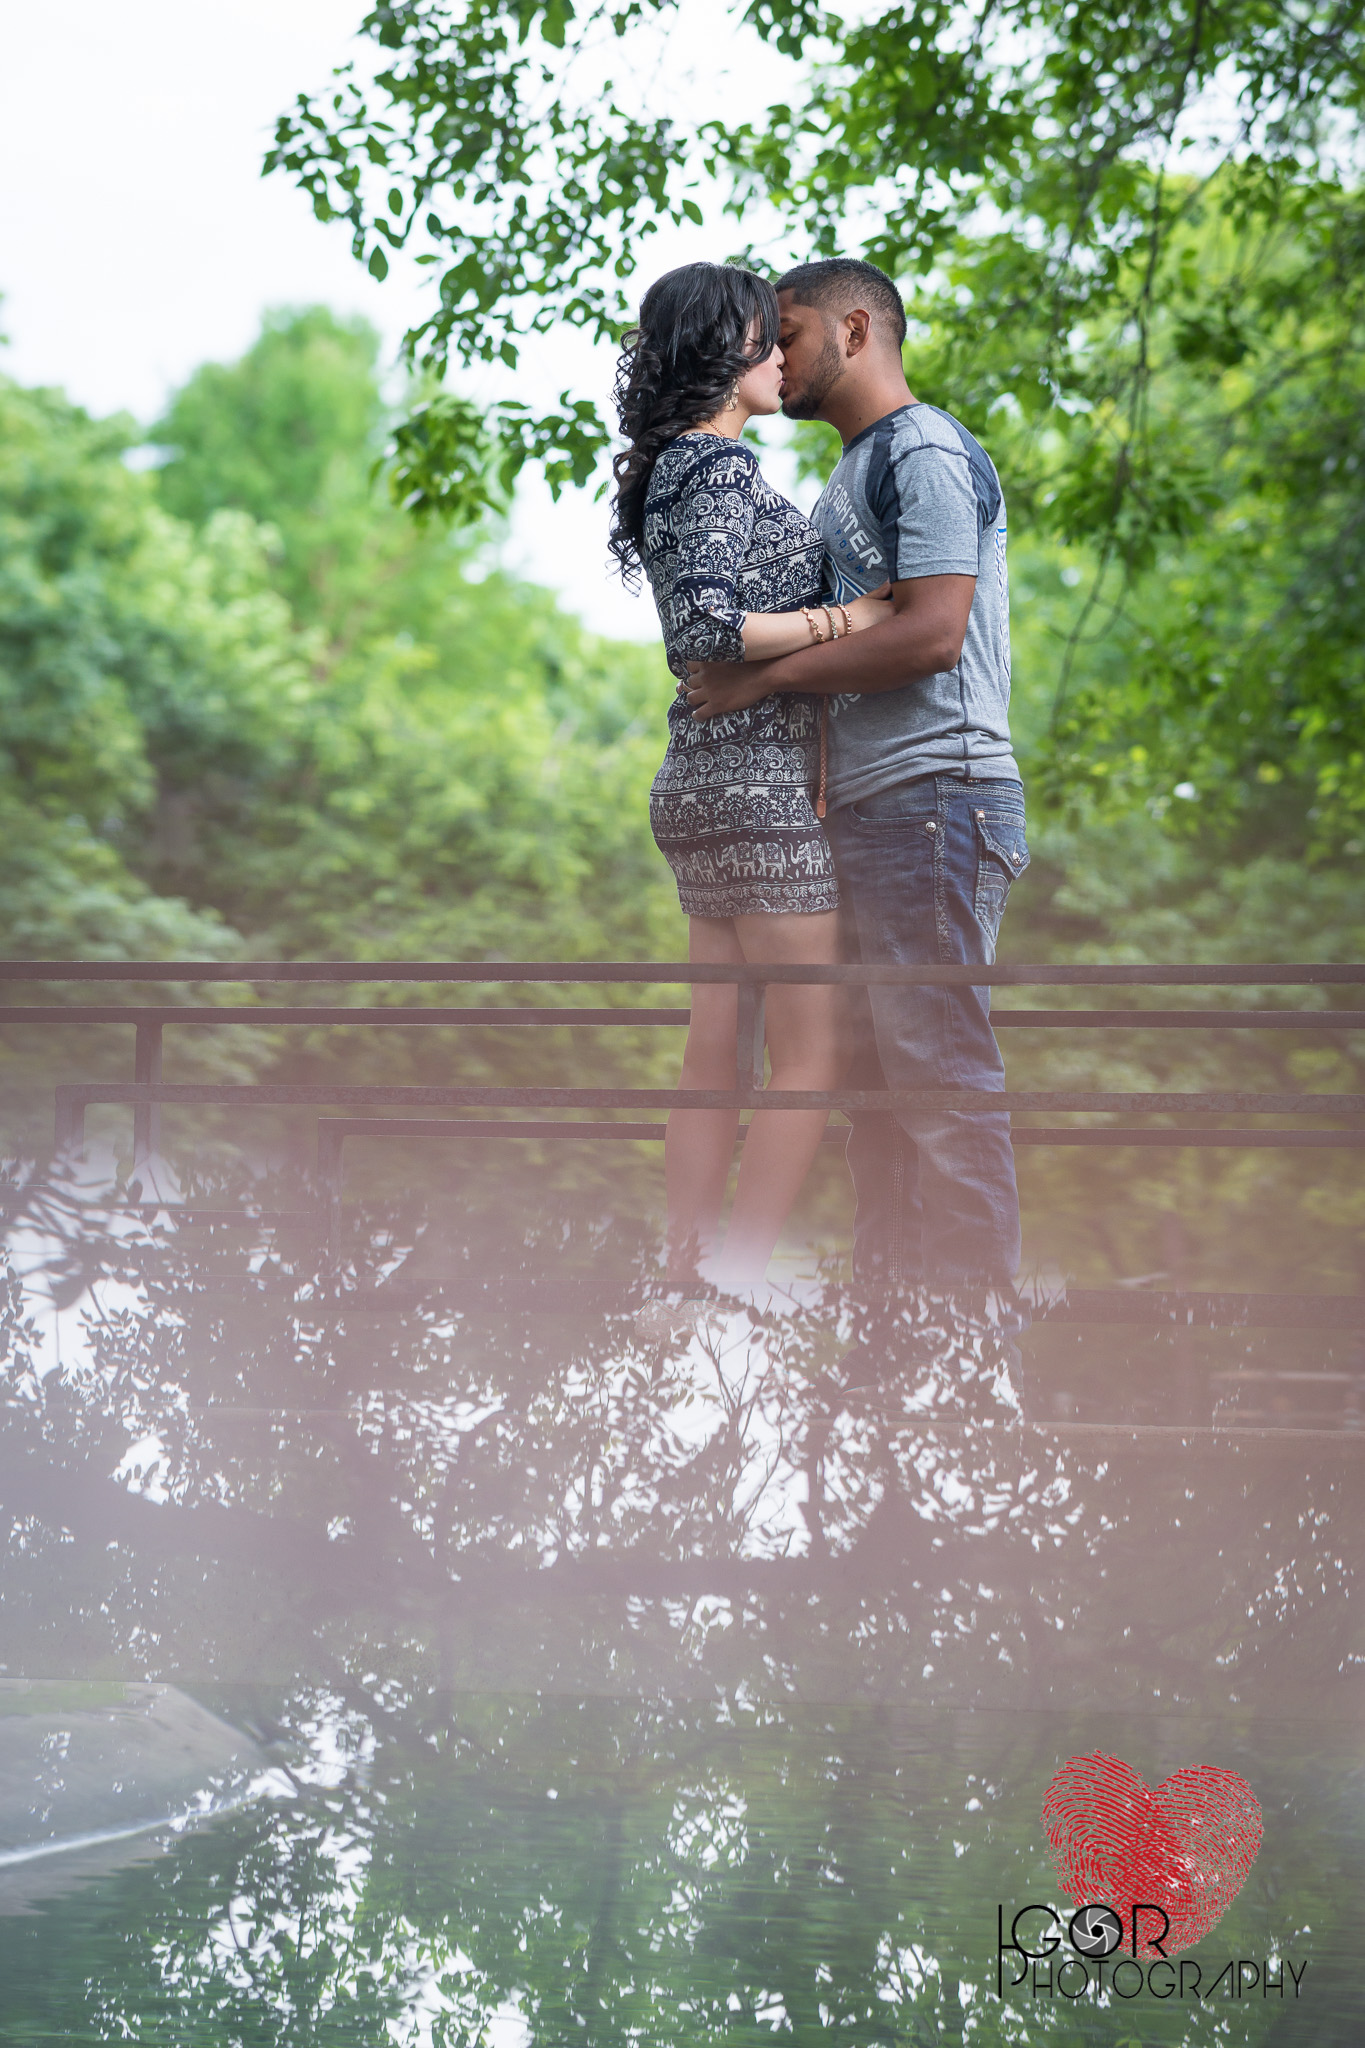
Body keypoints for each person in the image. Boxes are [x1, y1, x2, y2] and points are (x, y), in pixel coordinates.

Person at [684, 257, 1029, 1298]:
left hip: (939, 800)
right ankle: (894, 1361)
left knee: (938, 1081)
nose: (769, 356)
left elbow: (931, 631)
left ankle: (971, 1364)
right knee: (876, 1106)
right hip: (880, 814)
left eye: (785, 335)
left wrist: (759, 681)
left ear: (858, 330)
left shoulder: (920, 450)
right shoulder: (850, 472)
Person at [609, 261, 890, 1296]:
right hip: (756, 788)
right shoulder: (717, 466)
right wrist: (849, 617)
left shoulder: (671, 466)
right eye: (761, 339)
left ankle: (680, 1274)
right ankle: (732, 1275)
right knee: (810, 1053)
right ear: (719, 353)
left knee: (712, 1051)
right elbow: (706, 629)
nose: (780, 354)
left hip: (699, 787)